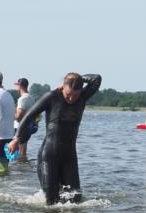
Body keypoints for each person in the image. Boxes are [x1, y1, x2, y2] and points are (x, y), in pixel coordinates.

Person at [8, 72, 101, 205]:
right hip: (49, 156)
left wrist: (78, 78)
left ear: (80, 91)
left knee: (75, 199)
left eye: (75, 95)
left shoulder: (83, 96)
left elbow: (96, 79)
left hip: (69, 157)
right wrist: (16, 139)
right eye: (68, 95)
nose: (71, 99)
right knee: (52, 201)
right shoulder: (52, 97)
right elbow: (28, 116)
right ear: (63, 87)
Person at [13, 78, 38, 162]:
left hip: (20, 127)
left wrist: (10, 114)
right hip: (28, 127)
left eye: (16, 85)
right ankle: (25, 167)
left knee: (20, 152)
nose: (15, 87)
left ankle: (21, 167)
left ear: (20, 86)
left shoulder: (22, 99)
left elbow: (18, 116)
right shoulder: (31, 97)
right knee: (23, 151)